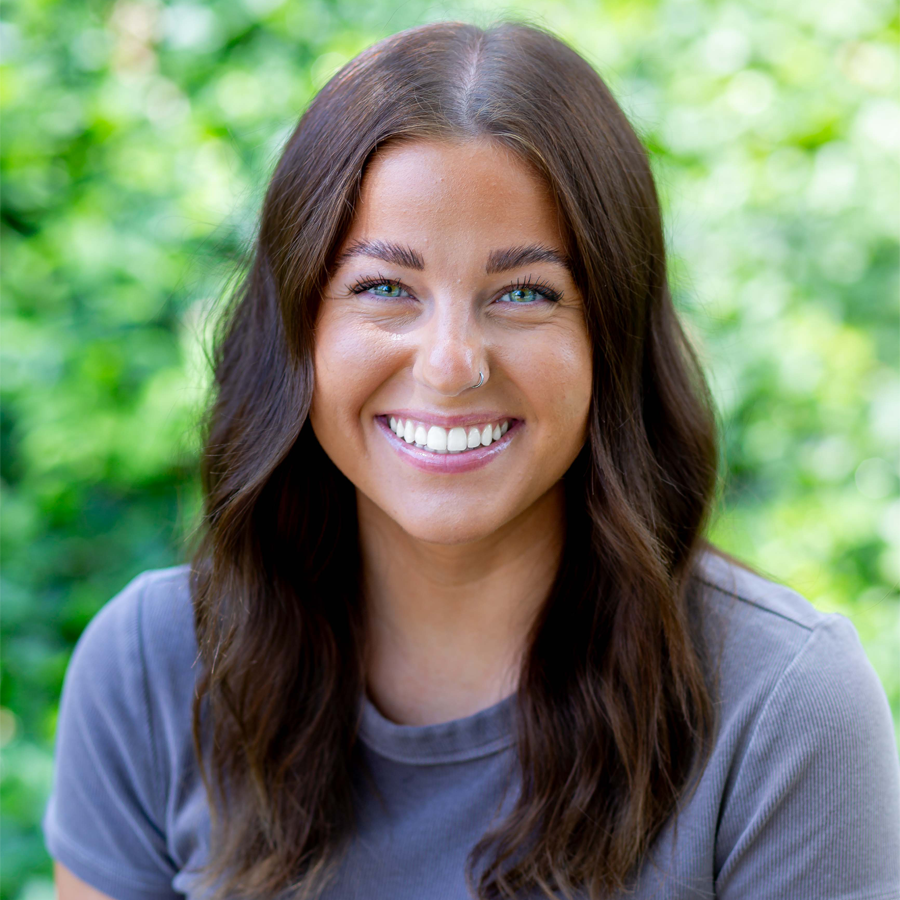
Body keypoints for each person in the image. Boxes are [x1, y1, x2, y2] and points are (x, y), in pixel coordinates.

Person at [44, 20, 899, 900]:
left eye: (525, 293)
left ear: (614, 336)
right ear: (297, 325)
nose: (451, 364)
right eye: (384, 288)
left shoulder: (784, 708)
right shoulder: (152, 669)